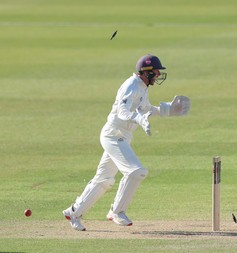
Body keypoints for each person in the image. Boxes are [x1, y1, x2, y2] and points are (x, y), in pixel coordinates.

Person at [63, 54, 191, 231]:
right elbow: (123, 111)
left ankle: (73, 212)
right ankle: (116, 211)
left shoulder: (143, 87)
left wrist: (169, 110)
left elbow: (146, 109)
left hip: (122, 136)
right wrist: (137, 118)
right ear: (146, 72)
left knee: (104, 180)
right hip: (113, 135)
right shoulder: (131, 85)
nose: (159, 75)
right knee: (136, 171)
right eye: (156, 72)